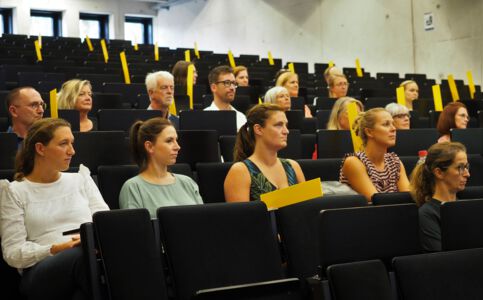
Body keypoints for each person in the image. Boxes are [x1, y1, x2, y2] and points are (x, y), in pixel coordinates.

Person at [0, 118, 109, 300]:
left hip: (88, 257)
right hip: (41, 271)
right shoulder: (14, 192)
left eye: (72, 143)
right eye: (63, 144)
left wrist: (93, 240)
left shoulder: (81, 179)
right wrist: (58, 248)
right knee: (82, 257)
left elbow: (104, 222)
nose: (72, 151)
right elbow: (13, 253)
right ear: (41, 148)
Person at [119, 117, 203, 217]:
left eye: (176, 140)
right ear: (149, 146)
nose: (177, 147)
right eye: (169, 141)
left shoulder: (187, 182)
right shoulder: (133, 188)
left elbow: (202, 222)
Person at [224, 103, 305, 202]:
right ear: (258, 129)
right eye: (279, 125)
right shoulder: (240, 171)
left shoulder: (293, 166)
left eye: (286, 125)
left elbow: (306, 210)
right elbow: (241, 216)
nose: (286, 131)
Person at [339, 108, 410, 202]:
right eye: (386, 124)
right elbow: (376, 200)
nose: (393, 128)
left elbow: (409, 197)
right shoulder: (354, 162)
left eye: (393, 123)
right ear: (369, 132)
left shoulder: (395, 161)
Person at [410, 142, 469, 252]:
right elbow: (440, 258)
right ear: (439, 173)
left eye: (466, 167)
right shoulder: (427, 214)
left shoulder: (466, 207)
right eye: (460, 168)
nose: (467, 174)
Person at [204, 65, 247, 130]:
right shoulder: (204, 116)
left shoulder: (241, 117)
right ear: (213, 87)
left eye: (233, 83)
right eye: (227, 83)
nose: (232, 88)